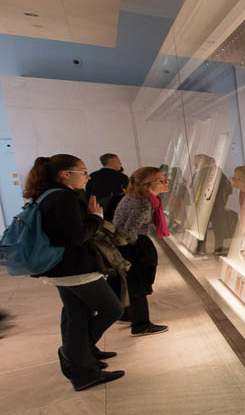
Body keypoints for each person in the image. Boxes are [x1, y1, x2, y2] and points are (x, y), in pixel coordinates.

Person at [23, 154, 125, 390]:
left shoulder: (46, 195)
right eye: (83, 171)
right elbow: (75, 236)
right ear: (65, 174)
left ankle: (83, 364)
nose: (87, 177)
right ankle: (75, 357)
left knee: (76, 315)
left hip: (60, 268)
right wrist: (96, 218)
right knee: (113, 309)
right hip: (75, 268)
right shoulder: (64, 198)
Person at [111, 167, 169, 336]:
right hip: (132, 247)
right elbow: (130, 232)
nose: (165, 183)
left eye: (165, 180)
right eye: (161, 181)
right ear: (147, 184)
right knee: (138, 285)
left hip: (126, 246)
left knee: (132, 284)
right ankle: (141, 324)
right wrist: (137, 249)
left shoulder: (136, 198)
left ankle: (128, 315)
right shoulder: (143, 203)